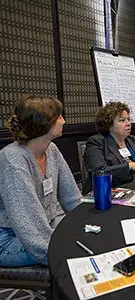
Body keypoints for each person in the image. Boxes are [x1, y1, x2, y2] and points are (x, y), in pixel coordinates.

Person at [0, 95, 81, 266]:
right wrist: (55, 252)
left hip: (45, 228)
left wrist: (87, 225)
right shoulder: (12, 159)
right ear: (44, 123)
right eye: (59, 117)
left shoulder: (51, 150)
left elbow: (72, 198)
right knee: (77, 250)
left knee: (87, 240)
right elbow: (27, 222)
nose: (64, 121)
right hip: (9, 238)